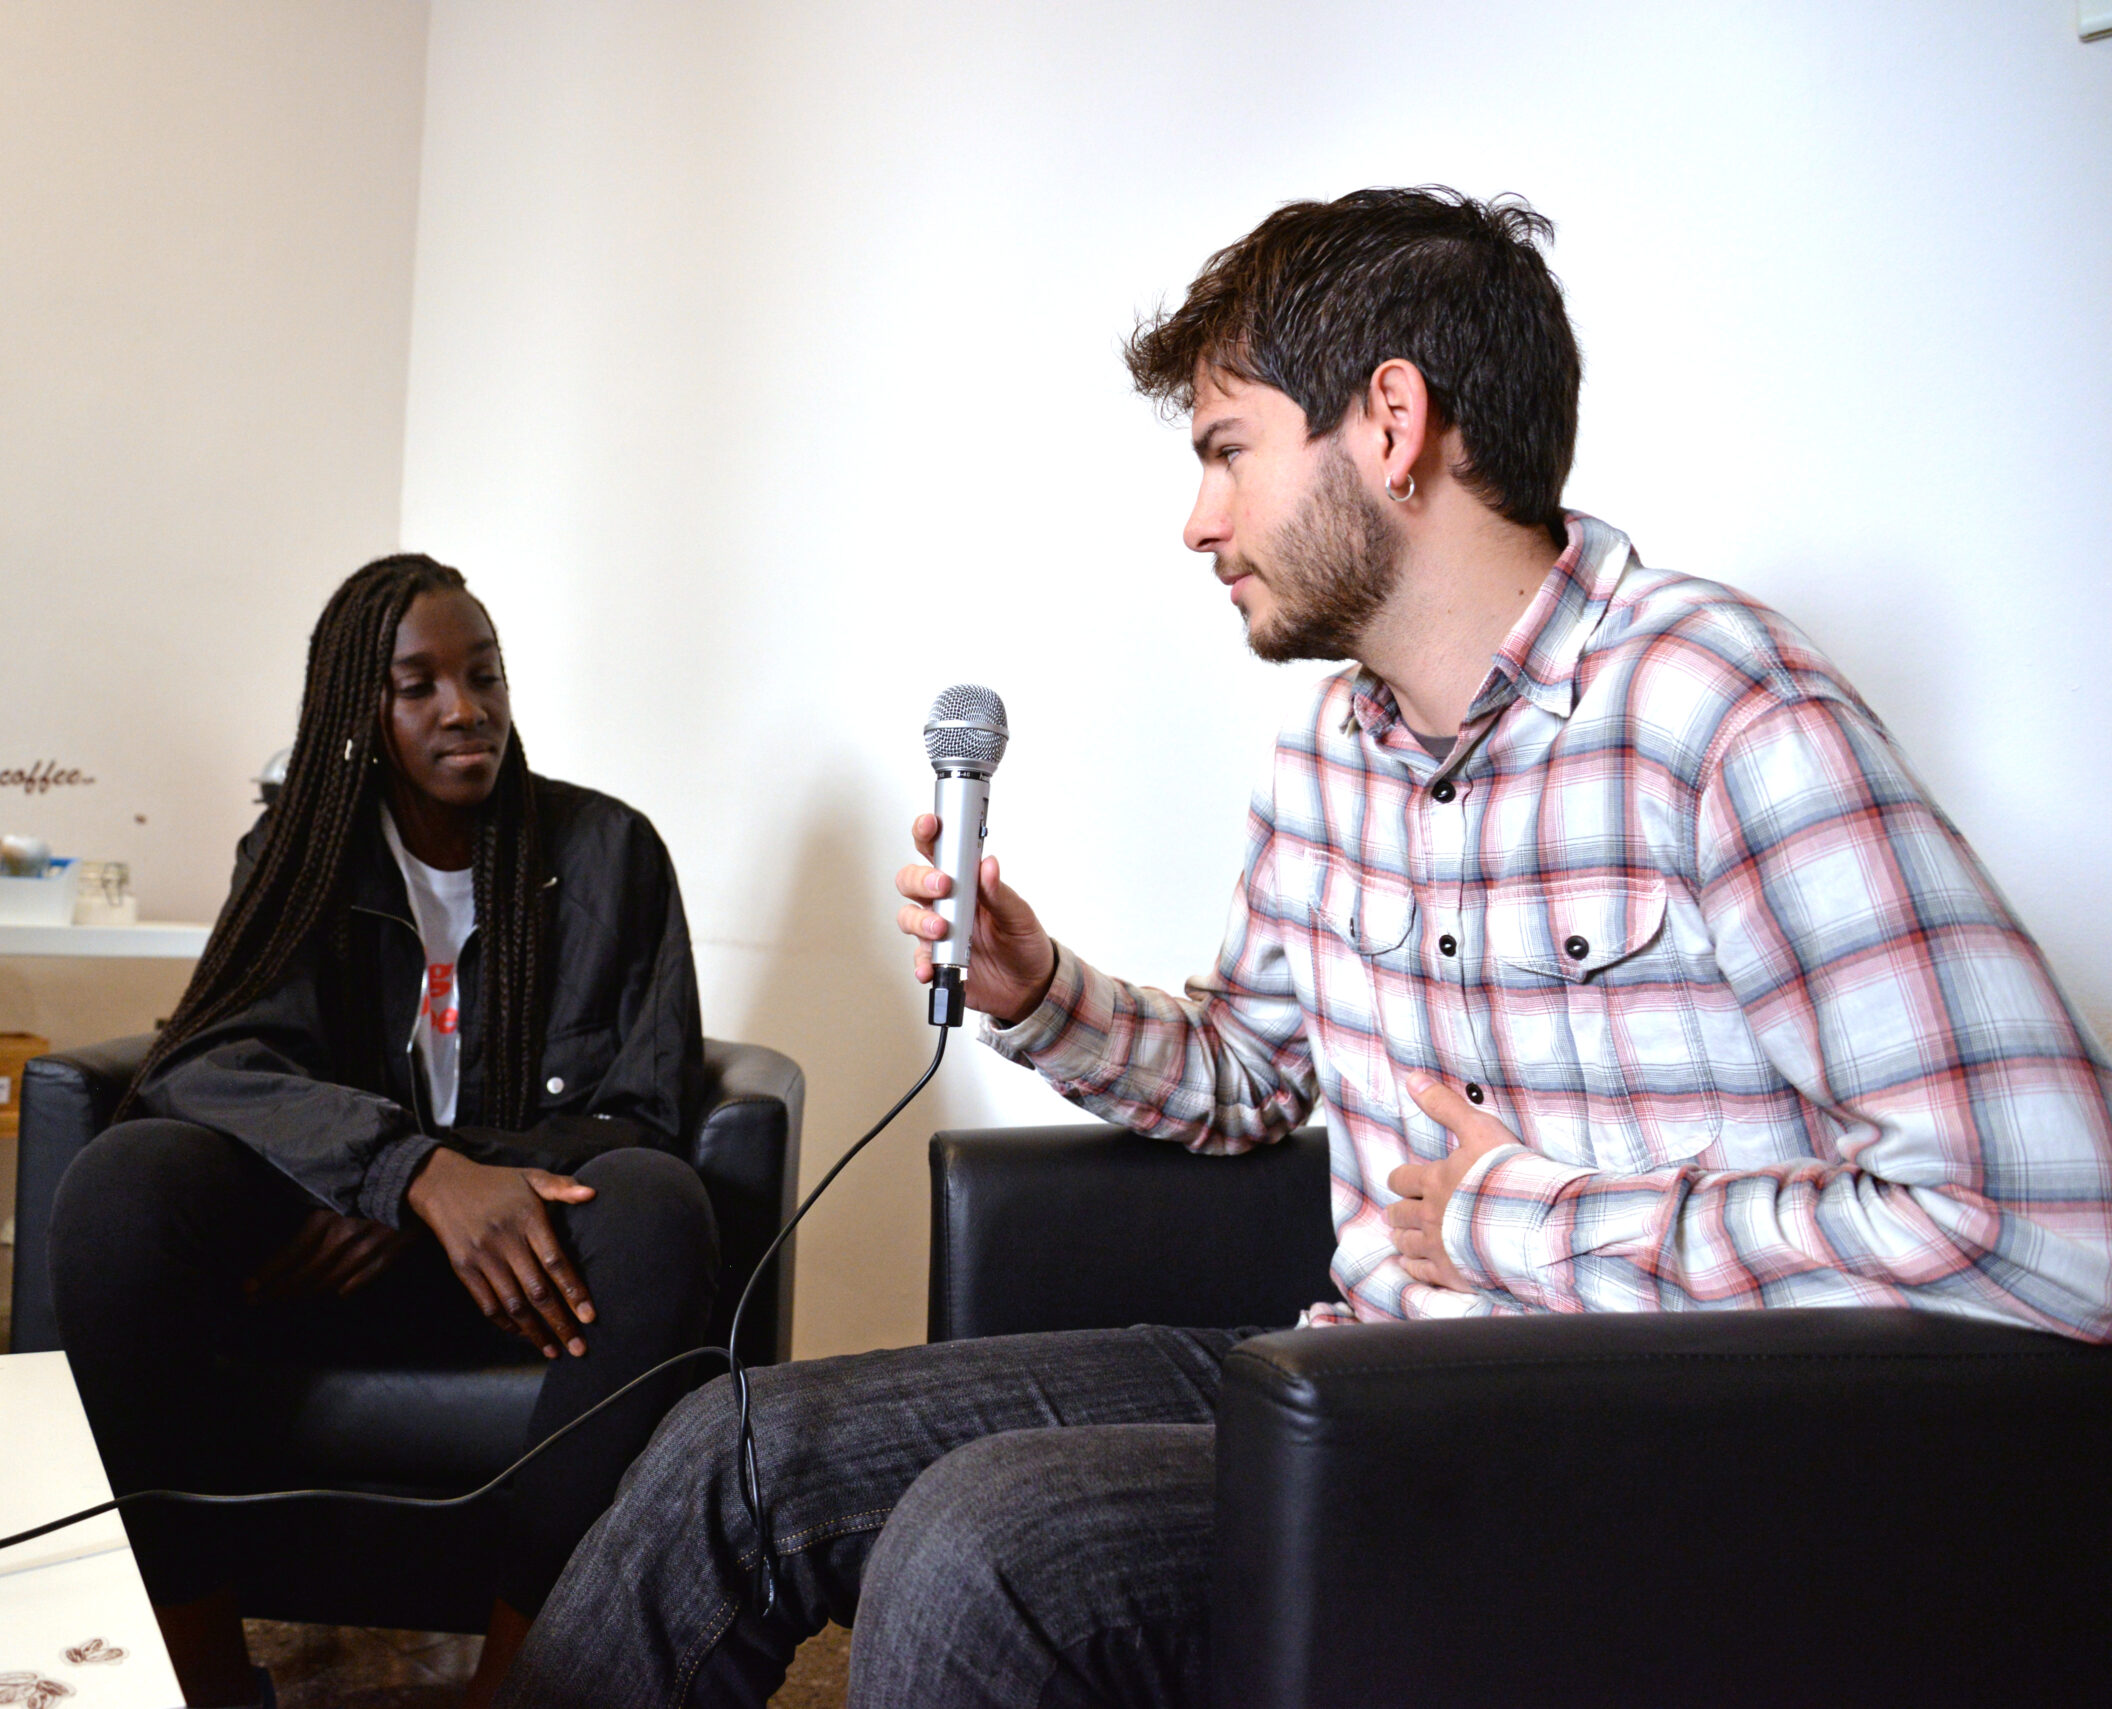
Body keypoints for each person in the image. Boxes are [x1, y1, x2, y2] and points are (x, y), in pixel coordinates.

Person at [499, 188, 2112, 1709]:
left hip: (1614, 1448)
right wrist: (1036, 990)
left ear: (1391, 425)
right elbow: (1252, 1074)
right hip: (1350, 1376)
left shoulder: (1721, 712)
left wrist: (1525, 1220)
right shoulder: (1330, 751)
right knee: (734, 1451)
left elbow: (2052, 1232)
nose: (1197, 520)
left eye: (1227, 451)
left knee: (985, 1545)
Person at [50, 554, 717, 1709]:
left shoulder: (611, 850)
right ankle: (203, 1675)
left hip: (519, 1272)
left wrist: (441, 1188)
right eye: (420, 685)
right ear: (360, 706)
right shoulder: (301, 851)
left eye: (483, 674)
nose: (465, 708)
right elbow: (211, 1056)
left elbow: (646, 1109)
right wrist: (397, 1170)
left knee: (662, 1208)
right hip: (319, 1255)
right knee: (124, 1181)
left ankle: (520, 1684)